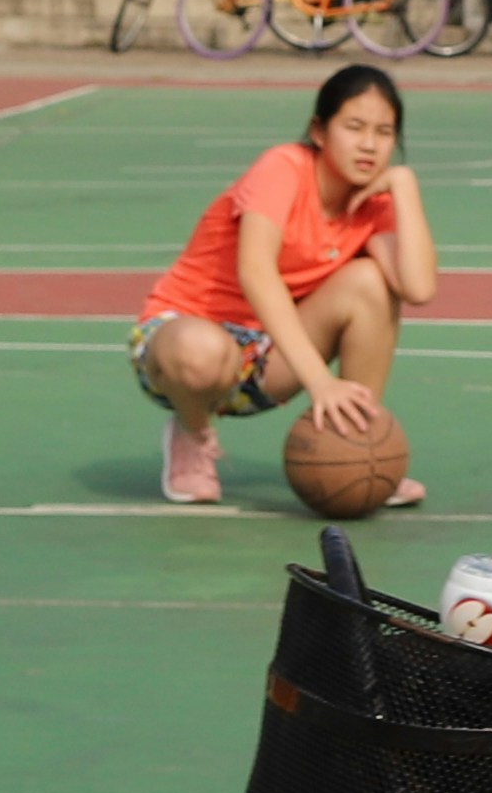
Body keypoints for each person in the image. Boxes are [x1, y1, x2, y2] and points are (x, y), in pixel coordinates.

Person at [133, 61, 439, 510]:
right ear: (319, 130)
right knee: (199, 349)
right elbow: (256, 271)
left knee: (371, 283)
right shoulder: (284, 168)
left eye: (385, 132)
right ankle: (192, 433)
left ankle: (360, 444)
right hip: (182, 341)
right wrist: (319, 380)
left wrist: (404, 186)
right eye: (354, 127)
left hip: (267, 356)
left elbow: (418, 288)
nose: (370, 145)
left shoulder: (372, 203)